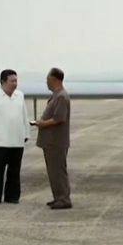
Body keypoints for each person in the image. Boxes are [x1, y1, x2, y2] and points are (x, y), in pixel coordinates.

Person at [0, 69, 30, 204]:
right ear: (3, 82)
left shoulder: (20, 95)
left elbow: (24, 115)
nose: (15, 84)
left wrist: (26, 133)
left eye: (16, 81)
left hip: (16, 140)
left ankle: (12, 196)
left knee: (14, 171)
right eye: (12, 81)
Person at [33, 67, 72, 209]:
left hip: (56, 141)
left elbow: (59, 118)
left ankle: (63, 199)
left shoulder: (61, 96)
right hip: (51, 141)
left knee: (58, 172)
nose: (46, 83)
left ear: (54, 79)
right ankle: (58, 197)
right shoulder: (57, 95)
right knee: (53, 172)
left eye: (47, 80)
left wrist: (42, 123)